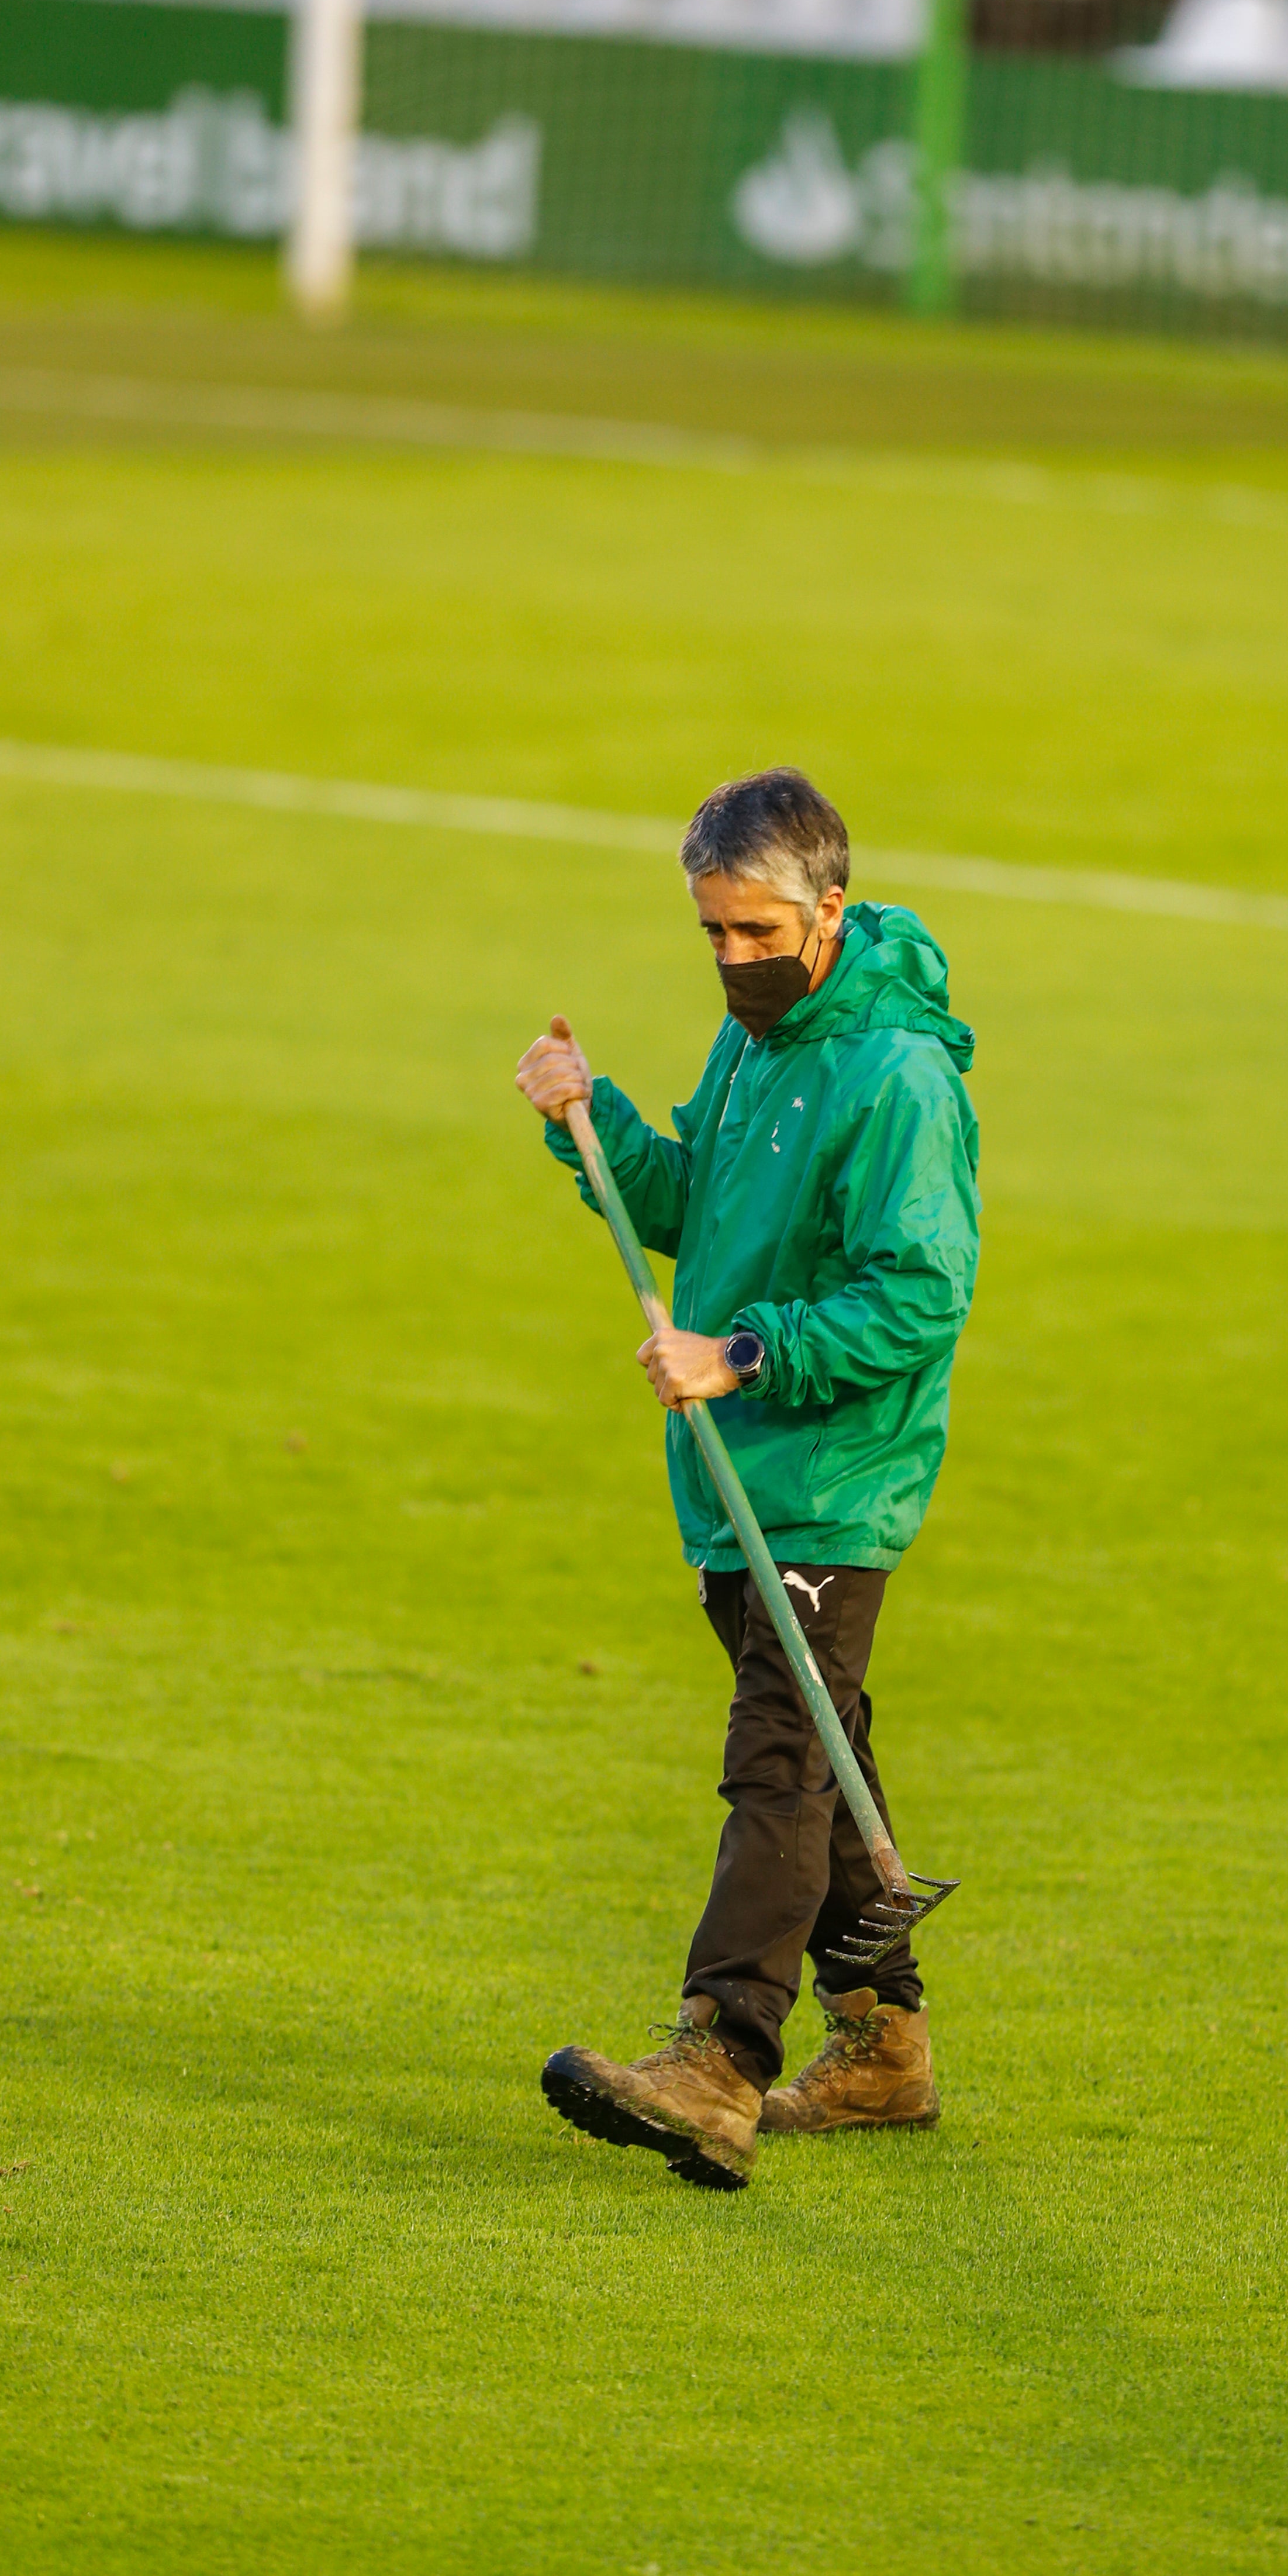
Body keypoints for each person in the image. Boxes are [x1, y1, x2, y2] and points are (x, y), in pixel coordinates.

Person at [515, 766, 979, 2191]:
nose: (733, 962)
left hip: (827, 1476)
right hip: (734, 1479)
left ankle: (721, 2057)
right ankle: (884, 2046)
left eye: (758, 934)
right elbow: (690, 1209)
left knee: (780, 1759)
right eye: (712, 933)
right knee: (828, 1761)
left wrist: (745, 1353)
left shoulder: (893, 1075)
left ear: (828, 912)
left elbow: (919, 1295)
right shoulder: (754, 1046)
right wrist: (589, 1125)